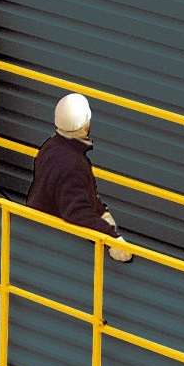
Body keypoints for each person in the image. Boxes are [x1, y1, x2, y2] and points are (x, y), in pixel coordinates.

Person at [27, 93, 132, 262]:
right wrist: (111, 237)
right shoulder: (73, 163)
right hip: (53, 245)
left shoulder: (50, 146)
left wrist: (100, 210)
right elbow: (76, 211)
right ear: (84, 127)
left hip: (36, 230)